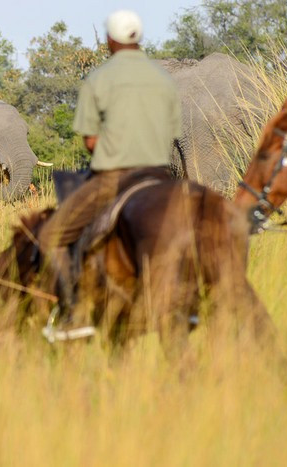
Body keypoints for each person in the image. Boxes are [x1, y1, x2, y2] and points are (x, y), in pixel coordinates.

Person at [37, 10, 182, 310]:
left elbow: (90, 140)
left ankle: (71, 312)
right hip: (160, 176)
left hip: (114, 178)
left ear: (110, 40)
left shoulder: (99, 78)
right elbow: (172, 134)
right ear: (139, 38)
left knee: (50, 235)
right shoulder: (165, 80)